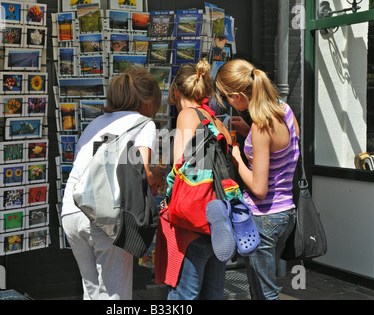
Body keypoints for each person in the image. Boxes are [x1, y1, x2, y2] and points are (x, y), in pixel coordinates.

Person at [61, 68, 164, 300]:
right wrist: (158, 175)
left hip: (72, 211)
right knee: (114, 295)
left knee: (92, 292)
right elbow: (142, 173)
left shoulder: (95, 123)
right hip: (107, 216)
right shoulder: (143, 124)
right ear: (147, 101)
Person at [214, 59, 300, 300]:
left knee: (264, 293)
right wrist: (248, 132)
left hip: (264, 217)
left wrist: (238, 159)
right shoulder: (284, 109)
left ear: (238, 96)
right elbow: (286, 149)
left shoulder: (262, 127)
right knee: (264, 289)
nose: (228, 102)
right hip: (285, 212)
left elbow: (259, 188)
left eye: (226, 97)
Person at [155, 59, 233, 300]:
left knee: (183, 295)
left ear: (176, 91)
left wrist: (162, 175)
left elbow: (181, 167)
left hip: (192, 225)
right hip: (219, 222)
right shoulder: (220, 124)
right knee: (212, 294)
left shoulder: (187, 115)